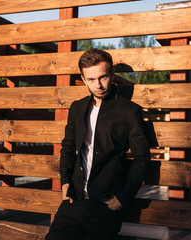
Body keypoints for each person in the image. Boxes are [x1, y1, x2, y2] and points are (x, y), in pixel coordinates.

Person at [45, 49, 150, 240]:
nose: (98, 85)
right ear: (83, 79)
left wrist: (123, 197)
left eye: (103, 77)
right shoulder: (77, 107)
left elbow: (141, 159)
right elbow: (68, 147)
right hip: (74, 199)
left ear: (111, 75)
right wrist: (65, 182)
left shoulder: (129, 112)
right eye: (91, 80)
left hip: (106, 202)